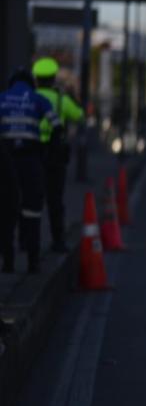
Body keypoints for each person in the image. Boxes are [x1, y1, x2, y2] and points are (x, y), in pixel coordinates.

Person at [1, 69, 59, 273]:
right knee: (32, 209)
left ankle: (8, 263)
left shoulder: (3, 98)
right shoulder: (39, 99)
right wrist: (50, 152)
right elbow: (56, 126)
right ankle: (33, 262)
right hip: (31, 160)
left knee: (6, 211)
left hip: (6, 161)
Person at [32, 57, 84, 253]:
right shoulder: (61, 99)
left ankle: (26, 241)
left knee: (29, 199)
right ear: (53, 78)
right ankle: (58, 240)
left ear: (36, 78)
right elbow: (80, 116)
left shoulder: (30, 97)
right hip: (55, 155)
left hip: (32, 152)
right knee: (55, 200)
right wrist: (71, 94)